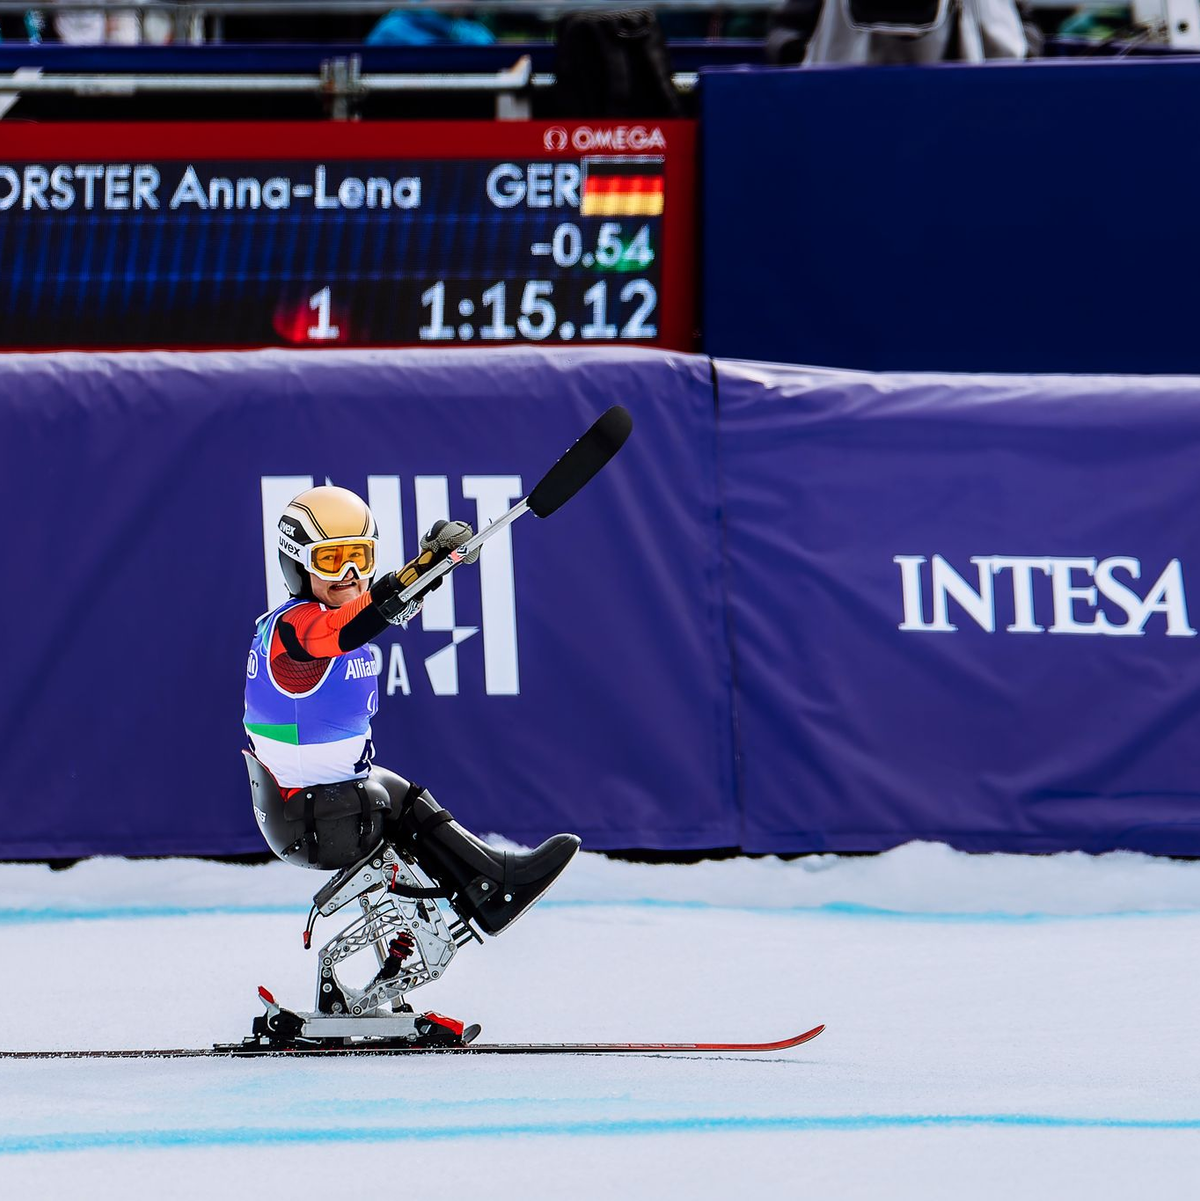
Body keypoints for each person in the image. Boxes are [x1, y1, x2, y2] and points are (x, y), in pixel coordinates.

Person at [244, 484, 579, 1041]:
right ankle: (489, 889)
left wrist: (434, 567)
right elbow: (354, 622)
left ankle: (485, 888)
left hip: (316, 805)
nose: (350, 572)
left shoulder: (323, 619)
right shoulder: (295, 627)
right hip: (317, 818)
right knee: (394, 801)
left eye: (362, 557)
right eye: (331, 559)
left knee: (396, 791)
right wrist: (418, 567)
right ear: (297, 565)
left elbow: (378, 610)